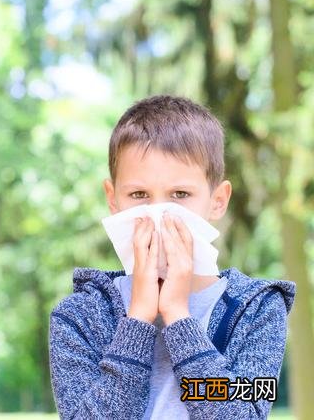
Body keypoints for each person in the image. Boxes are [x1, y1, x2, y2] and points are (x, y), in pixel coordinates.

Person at [48, 95, 297, 419]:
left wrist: (179, 317)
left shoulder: (259, 311)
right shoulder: (79, 317)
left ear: (217, 201)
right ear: (113, 199)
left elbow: (244, 414)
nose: (159, 214)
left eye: (180, 195)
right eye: (139, 195)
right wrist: (137, 319)